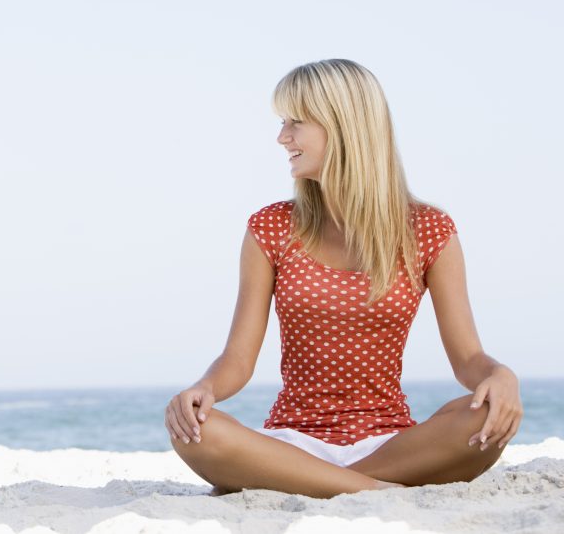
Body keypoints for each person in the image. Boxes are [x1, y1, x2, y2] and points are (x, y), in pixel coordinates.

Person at [164, 59, 523, 498]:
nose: (282, 137)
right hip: (292, 442)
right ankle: (370, 490)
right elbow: (238, 359)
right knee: (194, 428)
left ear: (343, 126)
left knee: (484, 414)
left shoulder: (429, 231)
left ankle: (316, 485)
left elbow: (469, 359)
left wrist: (501, 375)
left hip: (390, 442)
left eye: (295, 122)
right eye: (282, 122)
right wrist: (204, 388)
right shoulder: (271, 227)